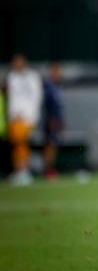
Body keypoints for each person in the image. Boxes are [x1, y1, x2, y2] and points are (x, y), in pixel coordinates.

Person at [7, 54, 43, 186]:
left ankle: (24, 171)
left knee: (22, 143)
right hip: (15, 117)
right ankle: (19, 171)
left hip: (27, 117)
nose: (16, 64)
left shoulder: (32, 77)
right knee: (17, 145)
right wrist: (12, 115)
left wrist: (32, 116)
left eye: (19, 62)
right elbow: (12, 99)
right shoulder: (12, 77)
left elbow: (36, 97)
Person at [42, 63, 64, 181]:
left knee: (53, 146)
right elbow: (48, 105)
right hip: (51, 121)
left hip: (56, 120)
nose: (60, 75)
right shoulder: (49, 87)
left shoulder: (57, 87)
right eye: (57, 72)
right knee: (50, 147)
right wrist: (52, 120)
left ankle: (50, 169)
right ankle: (47, 170)